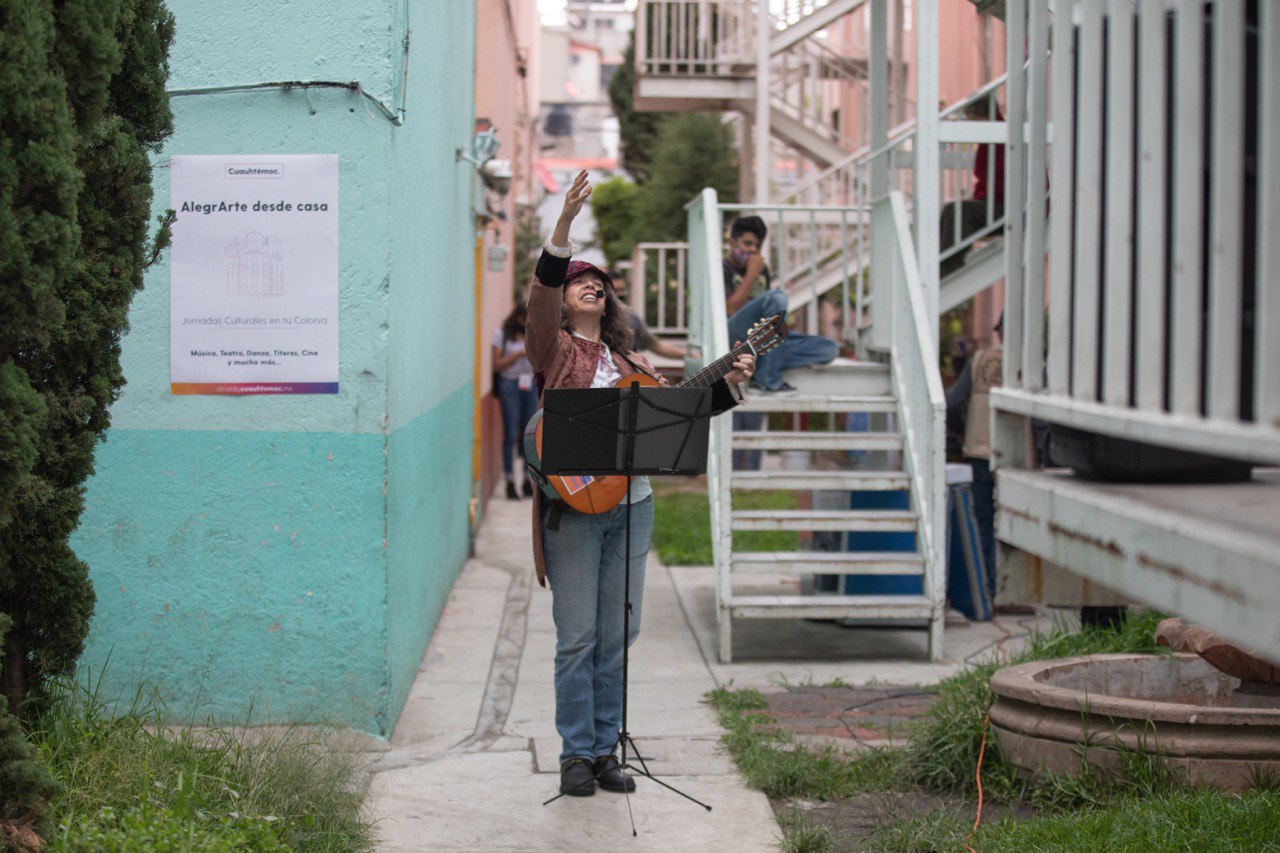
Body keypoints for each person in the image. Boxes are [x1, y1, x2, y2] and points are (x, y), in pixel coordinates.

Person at [525, 171, 755, 798]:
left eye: (598, 281)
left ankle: (604, 748)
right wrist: (565, 227)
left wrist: (730, 382)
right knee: (576, 635)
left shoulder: (634, 364)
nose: (589, 283)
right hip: (573, 509)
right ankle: (575, 753)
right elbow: (544, 292)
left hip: (633, 505)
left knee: (617, 635)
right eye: (579, 281)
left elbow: (681, 414)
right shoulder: (552, 351)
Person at [723, 215, 838, 394]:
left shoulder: (762, 270)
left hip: (759, 339)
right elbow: (730, 309)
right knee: (777, 298)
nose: (753, 250)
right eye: (747, 243)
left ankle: (763, 364)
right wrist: (751, 275)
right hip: (733, 335)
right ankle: (767, 380)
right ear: (732, 242)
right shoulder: (722, 267)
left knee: (828, 349)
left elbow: (769, 319)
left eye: (757, 245)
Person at [940, 96, 1006, 277]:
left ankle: (948, 269)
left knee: (961, 211)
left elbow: (999, 184)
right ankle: (939, 263)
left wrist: (981, 198)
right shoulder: (992, 139)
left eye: (971, 120)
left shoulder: (1002, 138)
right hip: (999, 202)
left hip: (1012, 207)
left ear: (981, 118)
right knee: (950, 210)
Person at [492, 305, 538, 499]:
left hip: (529, 386)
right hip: (509, 386)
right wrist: (516, 356)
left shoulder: (533, 335)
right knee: (511, 433)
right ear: (519, 318)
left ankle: (528, 479)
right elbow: (496, 365)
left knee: (529, 435)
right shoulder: (501, 335)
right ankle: (510, 480)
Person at [608, 268, 688, 361]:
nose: (619, 294)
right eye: (615, 290)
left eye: (622, 290)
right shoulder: (594, 319)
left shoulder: (632, 319)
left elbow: (655, 345)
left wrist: (689, 355)